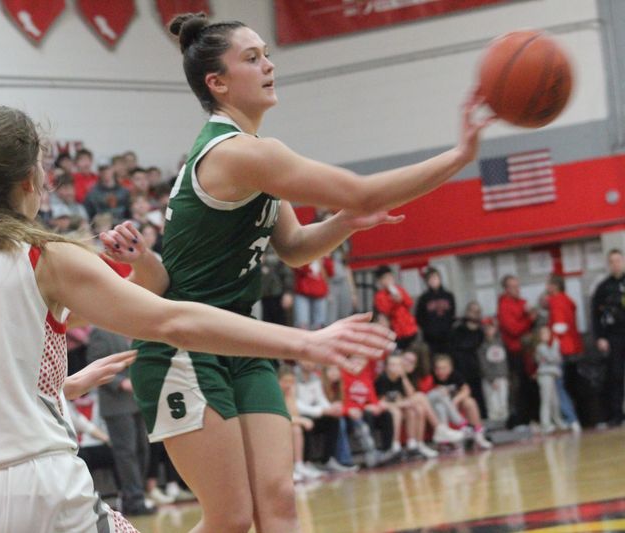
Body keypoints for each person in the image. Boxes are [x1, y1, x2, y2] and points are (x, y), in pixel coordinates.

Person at [0, 106, 395, 533]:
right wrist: (303, 343)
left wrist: (58, 389)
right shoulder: (42, 256)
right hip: (30, 489)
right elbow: (171, 321)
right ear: (30, 180)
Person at [101, 12, 491, 532]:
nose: (269, 64)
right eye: (252, 57)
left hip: (242, 341)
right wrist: (461, 155)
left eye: (266, 53)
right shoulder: (238, 153)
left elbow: (295, 248)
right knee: (232, 519)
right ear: (217, 83)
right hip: (183, 348)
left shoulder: (256, 154)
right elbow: (365, 190)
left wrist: (345, 223)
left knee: (279, 503)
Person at [87, 327, 153, 517]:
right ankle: (134, 500)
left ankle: (135, 495)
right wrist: (119, 382)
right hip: (116, 403)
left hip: (137, 400)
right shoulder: (101, 332)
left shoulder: (136, 328)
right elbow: (93, 366)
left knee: (142, 450)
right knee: (127, 453)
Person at [295, 360, 357, 472]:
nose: (309, 363)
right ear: (299, 360)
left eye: (312, 361)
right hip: (299, 415)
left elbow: (320, 398)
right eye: (306, 360)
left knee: (334, 419)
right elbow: (297, 405)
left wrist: (330, 409)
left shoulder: (314, 378)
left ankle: (328, 459)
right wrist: (322, 411)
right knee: (307, 423)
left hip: (315, 412)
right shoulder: (293, 377)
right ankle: (306, 463)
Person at [591, 249, 625, 427]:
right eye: (612, 261)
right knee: (616, 375)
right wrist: (600, 337)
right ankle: (617, 414)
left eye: (618, 260)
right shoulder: (603, 288)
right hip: (614, 336)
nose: (616, 264)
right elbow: (595, 316)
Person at [498, 274, 537, 426]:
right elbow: (513, 329)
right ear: (506, 289)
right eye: (513, 287)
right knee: (519, 386)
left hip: (527, 350)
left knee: (530, 384)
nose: (517, 289)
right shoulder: (504, 306)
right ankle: (521, 419)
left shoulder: (522, 303)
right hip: (515, 351)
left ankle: (532, 417)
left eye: (517, 286)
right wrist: (529, 320)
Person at [545, 275, 582, 432]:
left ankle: (571, 418)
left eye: (548, 285)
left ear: (554, 286)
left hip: (561, 349)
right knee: (568, 384)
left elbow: (560, 326)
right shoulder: (568, 300)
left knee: (558, 386)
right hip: (573, 347)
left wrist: (551, 342)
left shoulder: (556, 301)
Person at [431, 355, 492, 448]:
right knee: (441, 407)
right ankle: (448, 439)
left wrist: (456, 400)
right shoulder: (432, 378)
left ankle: (478, 435)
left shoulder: (455, 375)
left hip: (454, 406)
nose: (440, 371)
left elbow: (466, 390)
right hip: (438, 408)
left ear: (450, 368)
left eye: (444, 368)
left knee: (470, 402)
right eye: (438, 368)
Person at [278, 365, 323, 482]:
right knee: (298, 426)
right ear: (277, 381)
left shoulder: (289, 393)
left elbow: (294, 414)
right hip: (272, 425)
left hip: (286, 423)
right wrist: (302, 420)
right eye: (285, 381)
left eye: (291, 382)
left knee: (297, 428)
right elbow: (281, 417)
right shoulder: (273, 394)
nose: (288, 385)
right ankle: (288, 468)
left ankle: (299, 465)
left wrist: (290, 397)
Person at [450, 301, 487, 419]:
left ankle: (481, 418)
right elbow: (457, 346)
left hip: (476, 366)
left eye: (477, 311)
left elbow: (480, 346)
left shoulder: (481, 330)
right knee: (465, 392)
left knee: (478, 393)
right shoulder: (458, 328)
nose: (474, 314)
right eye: (472, 311)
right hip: (461, 365)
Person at [374, 265, 418, 349]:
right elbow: (385, 312)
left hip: (410, 328)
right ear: (380, 281)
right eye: (385, 278)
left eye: (390, 276)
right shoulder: (379, 296)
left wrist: (401, 298)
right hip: (396, 332)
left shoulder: (400, 289)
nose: (389, 280)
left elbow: (410, 303)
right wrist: (394, 301)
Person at [415, 268, 456, 355]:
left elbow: (452, 314)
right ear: (427, 282)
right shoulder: (423, 298)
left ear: (439, 278)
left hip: (447, 336)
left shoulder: (449, 296)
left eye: (435, 278)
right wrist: (429, 330)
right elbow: (419, 317)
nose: (433, 281)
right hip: (431, 339)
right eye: (430, 279)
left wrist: (447, 327)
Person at [534, 326, 566, 433]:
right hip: (545, 376)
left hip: (553, 375)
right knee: (546, 400)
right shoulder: (541, 347)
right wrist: (556, 346)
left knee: (555, 401)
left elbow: (559, 359)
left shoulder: (550, 346)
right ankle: (545, 423)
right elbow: (552, 357)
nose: (546, 336)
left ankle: (557, 420)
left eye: (548, 333)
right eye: (543, 334)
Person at [478, 320, 509, 423]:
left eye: (491, 328)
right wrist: (491, 379)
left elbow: (504, 361)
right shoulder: (482, 347)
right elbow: (483, 365)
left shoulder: (501, 343)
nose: (489, 330)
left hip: (502, 377)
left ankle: (505, 422)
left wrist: (505, 375)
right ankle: (494, 424)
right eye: (487, 328)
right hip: (490, 379)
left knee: (503, 402)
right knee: (492, 403)